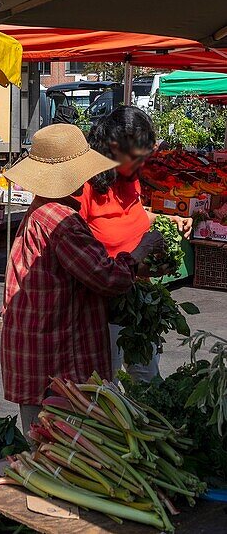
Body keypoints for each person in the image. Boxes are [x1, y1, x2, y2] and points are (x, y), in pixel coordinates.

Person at [0, 124, 160, 437]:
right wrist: (142, 249)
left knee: (42, 438)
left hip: (36, 347)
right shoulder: (62, 222)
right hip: (55, 356)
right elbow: (108, 278)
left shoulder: (41, 211)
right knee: (58, 445)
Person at [85, 105, 192, 381]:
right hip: (100, 305)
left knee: (145, 375)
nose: (142, 164)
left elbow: (135, 213)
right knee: (104, 379)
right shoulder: (86, 187)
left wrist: (168, 219)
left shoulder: (130, 179)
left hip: (139, 293)